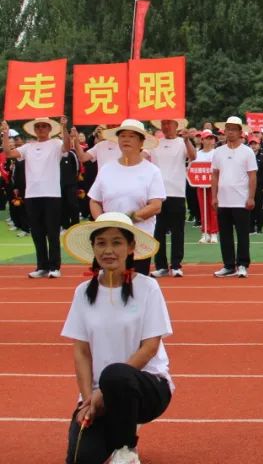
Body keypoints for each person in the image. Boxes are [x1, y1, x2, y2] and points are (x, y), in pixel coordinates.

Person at [60, 212, 174, 464]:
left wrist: (104, 391)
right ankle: (117, 426)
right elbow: (81, 352)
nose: (108, 250)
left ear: (130, 247)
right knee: (81, 458)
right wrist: (88, 400)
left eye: (116, 242)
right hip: (99, 394)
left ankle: (126, 448)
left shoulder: (148, 288)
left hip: (147, 388)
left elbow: (150, 347)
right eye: (101, 243)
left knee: (115, 375)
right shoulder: (82, 292)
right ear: (93, 247)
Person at [87, 120, 165, 277]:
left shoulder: (151, 171)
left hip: (139, 240)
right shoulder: (107, 169)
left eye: (131, 136)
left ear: (141, 142)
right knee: (108, 284)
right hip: (109, 239)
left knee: (135, 284)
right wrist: (103, 222)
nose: (126, 140)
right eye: (122, 136)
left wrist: (126, 220)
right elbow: (94, 200)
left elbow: (156, 205)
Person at [2, 116, 74, 278]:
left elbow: (67, 147)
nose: (41, 129)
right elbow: (8, 153)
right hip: (32, 194)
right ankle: (42, 266)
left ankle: (54, 266)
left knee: (52, 231)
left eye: (44, 126)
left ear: (50, 129)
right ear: (34, 130)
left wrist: (64, 128)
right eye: (38, 127)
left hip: (52, 194)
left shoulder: (56, 144)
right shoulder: (28, 147)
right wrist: (5, 133)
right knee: (37, 232)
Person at [147, 119, 195, 278]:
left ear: (176, 126)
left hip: (177, 192)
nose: (166, 127)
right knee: (158, 231)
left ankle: (176, 265)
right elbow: (142, 156)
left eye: (169, 124)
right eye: (164, 124)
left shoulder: (182, 142)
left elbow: (193, 156)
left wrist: (187, 140)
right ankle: (161, 266)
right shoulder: (155, 143)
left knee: (177, 231)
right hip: (157, 194)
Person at [211, 116, 258, 278]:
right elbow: (215, 175)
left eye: (233, 129)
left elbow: (252, 176)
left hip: (241, 200)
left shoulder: (247, 151)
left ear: (240, 132)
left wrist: (251, 197)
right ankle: (229, 265)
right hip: (223, 200)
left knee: (242, 234)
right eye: (228, 129)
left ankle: (243, 264)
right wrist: (214, 196)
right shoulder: (218, 151)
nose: (230, 132)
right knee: (225, 235)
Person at [194, 130, 219, 244]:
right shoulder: (197, 154)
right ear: (202, 140)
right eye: (207, 138)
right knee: (203, 208)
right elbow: (192, 167)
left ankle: (214, 233)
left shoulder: (216, 153)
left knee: (213, 208)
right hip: (201, 185)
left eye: (211, 138)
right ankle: (205, 233)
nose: (209, 141)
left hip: (214, 185)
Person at [248, 136, 263, 234]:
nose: (253, 146)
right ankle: (250, 228)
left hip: (260, 187)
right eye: (251, 144)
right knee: (249, 207)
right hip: (248, 186)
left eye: (255, 144)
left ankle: (259, 227)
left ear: (259, 145)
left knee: (259, 207)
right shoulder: (246, 156)